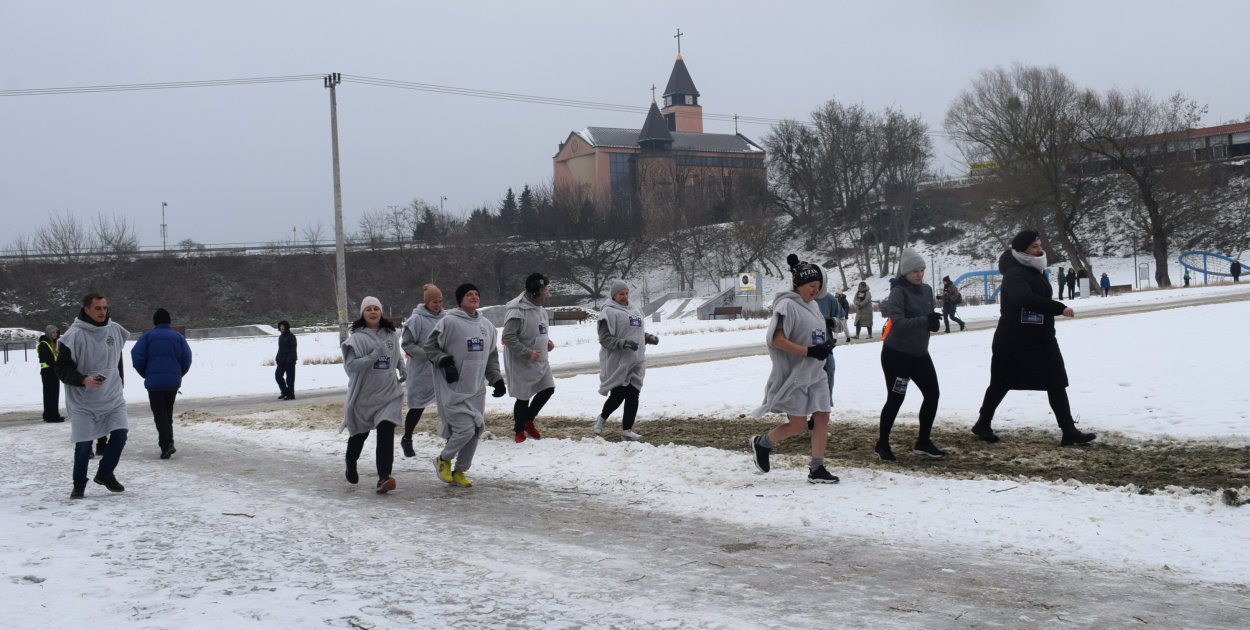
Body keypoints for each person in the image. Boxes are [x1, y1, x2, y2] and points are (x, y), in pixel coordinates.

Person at [971, 230, 1096, 447]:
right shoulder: (1014, 273)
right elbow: (1025, 299)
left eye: (1040, 245)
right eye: (1034, 247)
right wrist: (1059, 308)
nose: (1040, 250)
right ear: (1022, 251)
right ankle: (983, 423)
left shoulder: (1035, 270)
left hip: (1041, 338)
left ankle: (1068, 430)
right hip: (1014, 340)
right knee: (1000, 382)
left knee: (1056, 380)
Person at [748, 254, 839, 484]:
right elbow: (777, 340)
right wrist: (808, 351)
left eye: (818, 287)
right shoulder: (787, 305)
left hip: (816, 372)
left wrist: (825, 339)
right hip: (796, 375)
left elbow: (812, 333)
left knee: (823, 416)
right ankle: (762, 443)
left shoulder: (815, 305)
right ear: (798, 285)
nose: (815, 291)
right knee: (798, 426)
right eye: (811, 286)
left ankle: (817, 467)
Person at [425, 284, 506, 488]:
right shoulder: (449, 322)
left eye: (477, 294)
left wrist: (496, 379)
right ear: (460, 300)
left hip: (476, 388)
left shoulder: (487, 326)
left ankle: (460, 471)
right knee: (465, 430)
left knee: (476, 429)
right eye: (469, 294)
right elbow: (430, 347)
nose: (474, 296)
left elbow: (491, 357)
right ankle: (443, 459)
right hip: (453, 388)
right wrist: (444, 361)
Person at [54, 293, 130, 499]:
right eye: (97, 308)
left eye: (105, 308)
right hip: (83, 400)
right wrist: (83, 379)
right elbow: (60, 368)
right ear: (86, 309)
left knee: (121, 433)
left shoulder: (114, 330)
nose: (102, 312)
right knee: (84, 443)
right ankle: (79, 484)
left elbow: (116, 360)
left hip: (112, 395)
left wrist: (119, 381)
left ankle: (105, 473)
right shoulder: (74, 335)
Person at [875, 249, 945, 461]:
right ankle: (882, 443)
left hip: (920, 354)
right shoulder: (898, 292)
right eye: (915, 271)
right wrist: (925, 320)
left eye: (922, 270)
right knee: (896, 398)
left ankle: (923, 441)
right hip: (897, 355)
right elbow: (899, 322)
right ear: (905, 272)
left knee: (933, 393)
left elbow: (926, 319)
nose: (919, 274)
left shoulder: (926, 290)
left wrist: (933, 323)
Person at [340, 297, 407, 494]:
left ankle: (384, 478)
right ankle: (350, 462)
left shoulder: (390, 334)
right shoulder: (357, 339)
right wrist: (372, 356)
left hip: (388, 393)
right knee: (359, 435)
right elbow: (351, 367)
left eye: (376, 308)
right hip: (364, 396)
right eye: (368, 309)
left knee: (386, 431)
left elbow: (394, 356)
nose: (373, 311)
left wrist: (401, 367)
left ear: (381, 312)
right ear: (363, 313)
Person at [593, 280, 659, 441]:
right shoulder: (608, 312)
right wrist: (623, 344)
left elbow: (635, 334)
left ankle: (627, 430)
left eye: (626, 293)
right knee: (618, 395)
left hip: (636, 360)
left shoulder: (634, 310)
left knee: (633, 395)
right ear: (613, 295)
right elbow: (604, 339)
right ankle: (602, 418)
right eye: (621, 294)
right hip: (618, 361)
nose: (624, 296)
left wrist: (648, 338)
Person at [130, 308, 192, 459]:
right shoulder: (178, 337)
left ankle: (166, 444)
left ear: (155, 321)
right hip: (172, 382)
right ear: (169, 321)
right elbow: (187, 358)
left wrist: (146, 373)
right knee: (167, 412)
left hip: (154, 382)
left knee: (159, 414)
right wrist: (178, 373)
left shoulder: (147, 337)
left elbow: (137, 357)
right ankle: (168, 442)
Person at [502, 272, 556, 443]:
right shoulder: (517, 311)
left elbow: (540, 330)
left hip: (540, 358)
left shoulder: (541, 310)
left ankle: (528, 420)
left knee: (548, 388)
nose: (547, 293)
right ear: (535, 291)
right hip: (521, 359)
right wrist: (527, 353)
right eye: (545, 289)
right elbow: (508, 337)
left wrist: (548, 342)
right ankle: (519, 431)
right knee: (523, 396)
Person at [399, 284, 444, 458]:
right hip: (421, 368)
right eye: (434, 302)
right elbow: (407, 343)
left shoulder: (445, 317)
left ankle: (450, 436)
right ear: (426, 302)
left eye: (440, 301)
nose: (438, 305)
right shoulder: (416, 319)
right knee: (417, 406)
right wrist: (426, 355)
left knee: (446, 404)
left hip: (440, 367)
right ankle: (407, 438)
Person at [38, 325, 65, 423]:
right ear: (49, 333)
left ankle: (54, 414)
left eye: (56, 333)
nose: (55, 334)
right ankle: (50, 416)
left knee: (54, 394)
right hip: (48, 372)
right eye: (53, 332)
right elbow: (47, 359)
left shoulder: (54, 343)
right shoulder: (44, 344)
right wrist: (57, 366)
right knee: (49, 395)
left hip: (54, 372)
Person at [274, 320, 298, 400]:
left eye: (283, 326)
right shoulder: (280, 337)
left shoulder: (291, 336)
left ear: (286, 327)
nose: (281, 328)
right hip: (281, 360)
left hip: (290, 361)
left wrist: (290, 360)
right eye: (280, 326)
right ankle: (284, 392)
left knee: (290, 379)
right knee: (278, 376)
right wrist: (277, 357)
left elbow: (293, 349)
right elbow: (280, 349)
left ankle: (291, 395)